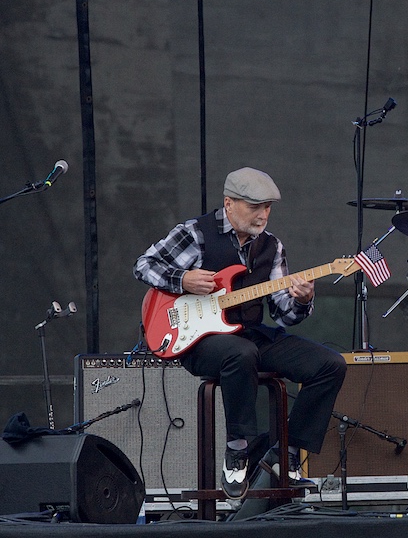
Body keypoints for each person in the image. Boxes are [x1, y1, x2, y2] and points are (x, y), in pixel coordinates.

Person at [134, 167, 346, 499]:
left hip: (247, 332)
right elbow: (144, 265)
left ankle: (287, 453)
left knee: (330, 364)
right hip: (198, 341)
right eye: (255, 207)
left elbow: (284, 315)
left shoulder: (272, 246)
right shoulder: (196, 233)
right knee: (240, 353)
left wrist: (302, 300)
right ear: (229, 203)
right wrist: (184, 279)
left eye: (268, 207)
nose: (263, 215)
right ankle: (237, 449)